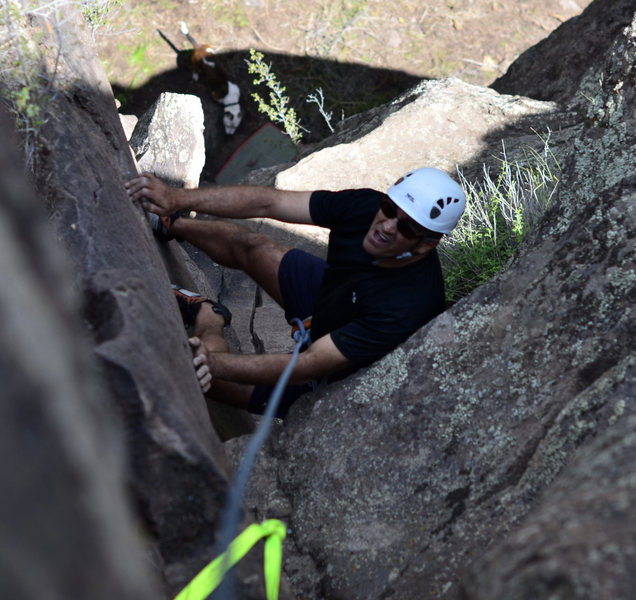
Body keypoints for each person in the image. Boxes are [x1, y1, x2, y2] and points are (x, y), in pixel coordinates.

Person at [125, 167, 466, 418]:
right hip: (330, 303)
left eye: (406, 227)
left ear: (426, 245)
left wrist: (213, 363)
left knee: (200, 376)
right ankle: (173, 222)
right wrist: (177, 198)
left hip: (332, 377)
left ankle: (208, 317)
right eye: (390, 209)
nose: (387, 226)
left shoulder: (407, 306)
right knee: (254, 246)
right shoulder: (367, 208)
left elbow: (307, 365)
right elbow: (269, 204)